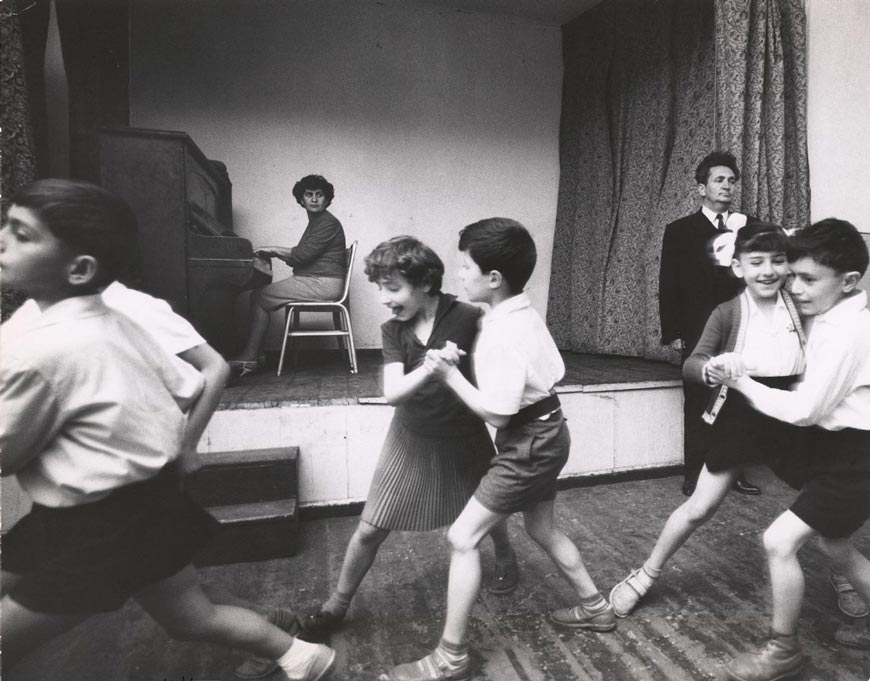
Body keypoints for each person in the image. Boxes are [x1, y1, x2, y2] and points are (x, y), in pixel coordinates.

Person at [0, 179, 334, 681]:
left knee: (190, 612)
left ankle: (297, 651)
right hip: (130, 501)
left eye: (23, 234)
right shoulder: (105, 319)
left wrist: (184, 444)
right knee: (191, 613)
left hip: (102, 520)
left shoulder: (57, 343)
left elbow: (207, 371)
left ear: (80, 267)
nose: (3, 239)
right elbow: (177, 383)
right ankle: (296, 651)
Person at [379, 219, 614, 681]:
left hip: (527, 440)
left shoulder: (503, 333)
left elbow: (498, 415)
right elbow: (553, 371)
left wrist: (448, 376)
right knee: (542, 529)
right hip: (548, 429)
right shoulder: (519, 313)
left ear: (493, 279)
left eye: (466, 266)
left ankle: (450, 658)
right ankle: (597, 607)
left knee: (462, 537)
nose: (458, 274)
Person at [282, 237, 518, 644]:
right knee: (371, 528)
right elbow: (392, 393)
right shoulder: (394, 330)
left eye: (393, 288)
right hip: (411, 438)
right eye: (380, 289)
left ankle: (507, 554)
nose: (384, 299)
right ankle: (337, 604)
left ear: (426, 282)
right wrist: (431, 369)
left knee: (488, 509)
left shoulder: (468, 315)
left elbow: (504, 352)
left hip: (465, 434)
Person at [610, 224, 805, 618]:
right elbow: (692, 364)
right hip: (742, 416)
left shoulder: (801, 306)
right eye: (756, 262)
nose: (767, 270)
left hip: (795, 416)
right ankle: (646, 574)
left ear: (789, 265)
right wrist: (713, 369)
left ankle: (841, 576)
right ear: (737, 267)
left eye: (777, 261)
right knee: (699, 508)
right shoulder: (727, 312)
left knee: (825, 500)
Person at [718, 219, 870, 681]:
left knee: (778, 541)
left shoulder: (848, 332)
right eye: (795, 274)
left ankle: (783, 652)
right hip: (841, 448)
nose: (794, 286)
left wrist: (740, 381)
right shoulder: (833, 318)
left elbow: (805, 409)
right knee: (836, 545)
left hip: (857, 457)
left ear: (848, 282)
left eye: (809, 279)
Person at [659, 151, 761, 496]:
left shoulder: (750, 227)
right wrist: (672, 331)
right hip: (698, 328)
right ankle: (694, 473)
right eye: (719, 180)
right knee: (699, 400)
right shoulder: (680, 231)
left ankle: (735, 472)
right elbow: (669, 282)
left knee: (740, 399)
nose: (727, 186)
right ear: (701, 187)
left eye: (732, 181)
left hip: (740, 326)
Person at [230, 174, 346, 375]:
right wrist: (278, 253)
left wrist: (272, 249)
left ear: (327, 199)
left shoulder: (327, 222)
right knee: (259, 295)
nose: (315, 199)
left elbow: (301, 256)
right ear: (301, 200)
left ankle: (250, 357)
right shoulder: (317, 222)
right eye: (309, 195)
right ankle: (255, 355)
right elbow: (302, 257)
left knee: (258, 297)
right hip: (318, 280)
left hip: (323, 283)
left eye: (320, 195)